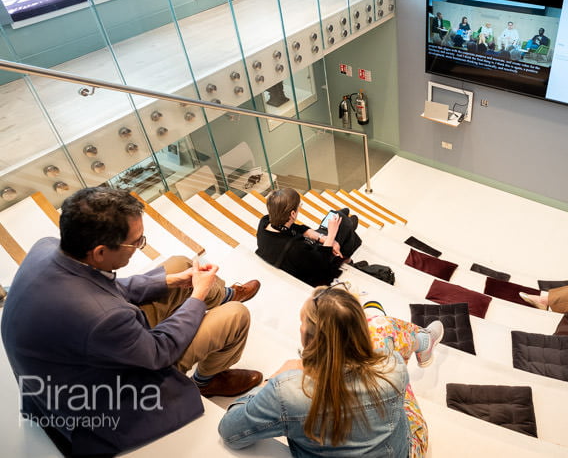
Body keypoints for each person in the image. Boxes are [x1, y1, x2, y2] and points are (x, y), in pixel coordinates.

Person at [1, 187, 263, 456]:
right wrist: (197, 295)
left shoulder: (46, 248)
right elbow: (159, 351)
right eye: (136, 242)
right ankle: (206, 380)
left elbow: (102, 285)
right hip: (97, 397)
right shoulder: (103, 318)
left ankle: (224, 293)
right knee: (235, 315)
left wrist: (171, 281)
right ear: (100, 252)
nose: (139, 247)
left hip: (69, 359)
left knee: (179, 264)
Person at [218, 284, 444, 457]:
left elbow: (230, 431)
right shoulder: (393, 364)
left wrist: (271, 380)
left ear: (309, 338)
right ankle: (423, 340)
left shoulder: (287, 392)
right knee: (382, 326)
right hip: (406, 451)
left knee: (381, 327)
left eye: (302, 323)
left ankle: (421, 339)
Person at [256, 188, 362, 287]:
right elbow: (321, 265)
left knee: (336, 217)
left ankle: (346, 225)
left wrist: (321, 237)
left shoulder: (265, 223)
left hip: (303, 255)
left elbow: (295, 227)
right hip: (315, 266)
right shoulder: (295, 248)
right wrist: (331, 236)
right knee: (341, 223)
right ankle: (347, 254)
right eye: (299, 206)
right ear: (293, 213)